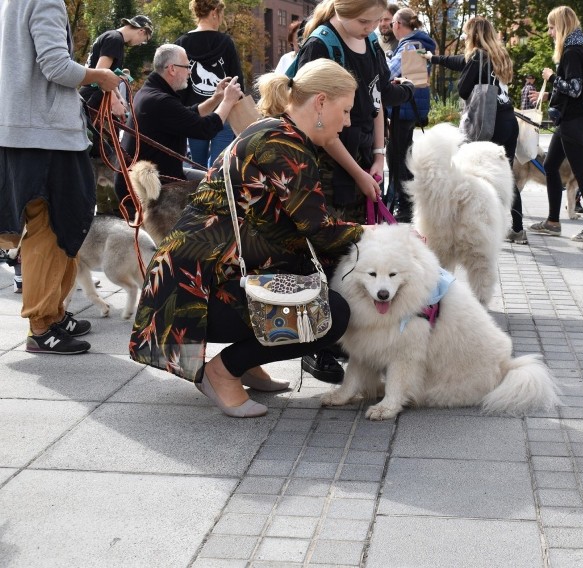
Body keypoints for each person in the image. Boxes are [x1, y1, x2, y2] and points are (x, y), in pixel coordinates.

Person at [129, 59, 365, 418]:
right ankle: (222, 371)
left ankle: (246, 363)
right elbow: (320, 231)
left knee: (317, 281)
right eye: (344, 110)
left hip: (187, 284)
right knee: (332, 313)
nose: (347, 121)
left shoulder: (275, 131)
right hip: (197, 294)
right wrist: (382, 235)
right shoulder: (285, 148)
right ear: (320, 102)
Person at [294, 0, 412, 383]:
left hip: (363, 162)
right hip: (330, 165)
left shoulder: (373, 44)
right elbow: (322, 125)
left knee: (354, 255)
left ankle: (342, 337)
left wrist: (378, 158)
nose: (371, 28)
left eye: (377, 21)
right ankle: (314, 348)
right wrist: (359, 172)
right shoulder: (321, 44)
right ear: (341, 11)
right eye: (364, 21)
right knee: (325, 255)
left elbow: (376, 103)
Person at [0, 0, 122, 354]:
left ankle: (52, 315)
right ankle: (42, 325)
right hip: (46, 134)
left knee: (47, 225)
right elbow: (56, 67)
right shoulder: (45, 1)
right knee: (54, 227)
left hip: (21, 130)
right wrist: (99, 77)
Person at [425, 17, 524, 244]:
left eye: (467, 34)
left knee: (482, 175)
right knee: (507, 176)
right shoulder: (499, 55)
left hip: (488, 122)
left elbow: (463, 89)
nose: (465, 38)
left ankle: (486, 227)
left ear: (474, 35)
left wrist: (460, 75)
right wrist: (435, 58)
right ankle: (517, 229)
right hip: (509, 120)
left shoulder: (478, 56)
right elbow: (461, 61)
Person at [114, 44, 242, 218]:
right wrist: (227, 101)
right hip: (149, 188)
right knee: (219, 190)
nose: (190, 72)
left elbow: (188, 115)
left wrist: (216, 98)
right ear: (172, 69)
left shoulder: (151, 92)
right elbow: (204, 129)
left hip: (157, 178)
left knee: (216, 180)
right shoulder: (158, 100)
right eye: (187, 67)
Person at [526, 6, 583, 243]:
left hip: (572, 121)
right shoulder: (582, 51)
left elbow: (574, 88)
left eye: (551, 27)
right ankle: (552, 222)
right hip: (573, 119)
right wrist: (552, 95)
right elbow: (578, 90)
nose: (549, 32)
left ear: (561, 26)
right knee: (550, 167)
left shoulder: (572, 52)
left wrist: (551, 77)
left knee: (581, 172)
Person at [176, 0, 244, 168]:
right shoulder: (226, 43)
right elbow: (237, 80)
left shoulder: (181, 43)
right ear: (214, 12)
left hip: (195, 116)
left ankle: (197, 194)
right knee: (218, 168)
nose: (221, 20)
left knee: (196, 167)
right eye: (220, 15)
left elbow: (178, 85)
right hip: (224, 115)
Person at [385, 7, 435, 222]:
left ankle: (404, 207)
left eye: (392, 23)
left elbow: (389, 73)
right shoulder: (419, 43)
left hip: (404, 109)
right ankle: (403, 204)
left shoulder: (411, 45)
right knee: (400, 156)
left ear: (398, 24)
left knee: (399, 159)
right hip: (409, 109)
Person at [79, 14, 153, 119]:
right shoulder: (115, 40)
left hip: (92, 95)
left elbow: (109, 75)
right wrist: (114, 103)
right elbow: (100, 74)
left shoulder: (114, 39)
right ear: (141, 31)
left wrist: (119, 97)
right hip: (91, 97)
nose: (141, 43)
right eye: (145, 40)